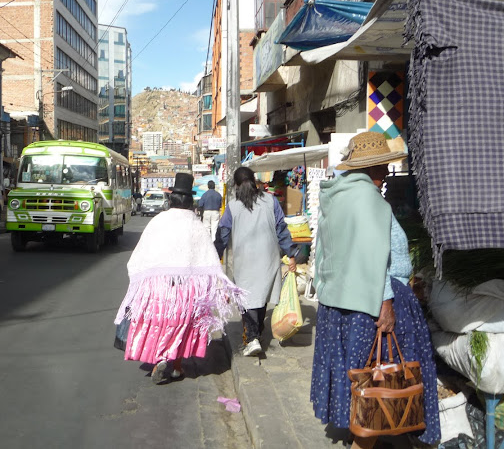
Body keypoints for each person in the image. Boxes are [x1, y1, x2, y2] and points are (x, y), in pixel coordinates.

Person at [310, 132, 440, 448]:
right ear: (371, 169)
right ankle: (371, 433)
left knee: (359, 375)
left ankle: (370, 427)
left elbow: (326, 252)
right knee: (380, 378)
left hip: (341, 301)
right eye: (381, 167)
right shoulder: (367, 199)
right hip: (370, 302)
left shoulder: (338, 196)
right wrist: (385, 302)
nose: (385, 174)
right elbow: (373, 255)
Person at [115, 173, 245, 384]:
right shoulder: (195, 224)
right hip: (187, 289)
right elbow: (209, 258)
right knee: (182, 327)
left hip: (159, 287)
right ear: (189, 202)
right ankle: (176, 367)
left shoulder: (158, 220)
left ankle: (162, 358)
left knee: (161, 323)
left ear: (172, 199)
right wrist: (221, 288)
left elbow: (142, 252)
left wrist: (138, 280)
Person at [215, 167, 298, 357]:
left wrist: (214, 256)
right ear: (254, 181)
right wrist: (291, 254)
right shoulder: (270, 200)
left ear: (236, 185)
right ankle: (255, 335)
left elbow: (223, 234)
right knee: (260, 297)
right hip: (268, 256)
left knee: (248, 298)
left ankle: (252, 338)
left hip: (244, 258)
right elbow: (281, 228)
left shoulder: (233, 206)